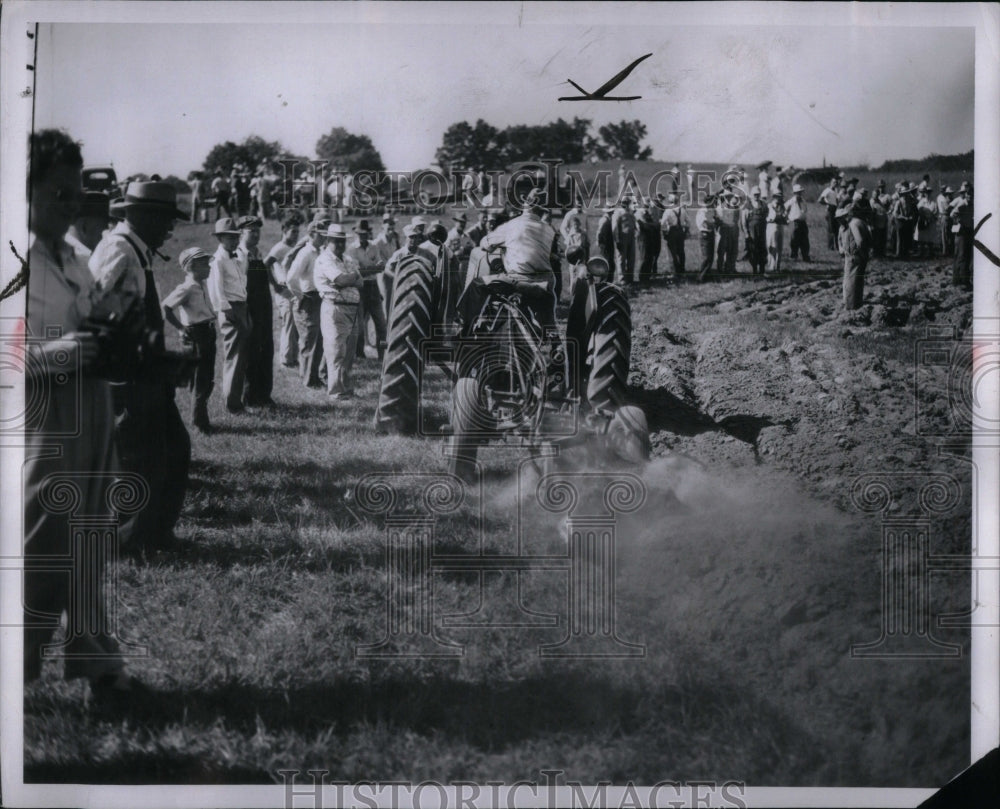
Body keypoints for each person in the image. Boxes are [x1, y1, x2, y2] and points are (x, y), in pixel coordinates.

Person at [23, 129, 139, 697]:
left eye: (76, 196)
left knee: (92, 533)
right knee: (41, 537)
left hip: (91, 402)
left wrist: (116, 322)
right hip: (38, 414)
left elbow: (92, 314)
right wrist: (56, 354)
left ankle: (99, 666)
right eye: (57, 195)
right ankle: (14, 665)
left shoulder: (73, 255)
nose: (71, 208)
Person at [89, 179, 191, 557]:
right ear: (144, 216)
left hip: (147, 371)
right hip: (125, 375)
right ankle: (122, 542)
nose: (170, 229)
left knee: (175, 448)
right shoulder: (117, 249)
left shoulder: (139, 250)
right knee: (138, 459)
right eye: (165, 220)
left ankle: (155, 533)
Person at [477, 187, 560, 333]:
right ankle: (554, 341)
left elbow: (485, 244)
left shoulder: (511, 226)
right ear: (543, 211)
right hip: (546, 283)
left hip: (520, 281)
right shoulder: (549, 230)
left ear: (525, 206)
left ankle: (479, 322)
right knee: (548, 319)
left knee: (479, 283)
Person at [162, 247, 217, 432]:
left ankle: (201, 417)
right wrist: (180, 328)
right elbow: (166, 308)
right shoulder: (186, 288)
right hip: (196, 335)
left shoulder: (201, 284)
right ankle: (199, 423)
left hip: (208, 332)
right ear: (190, 267)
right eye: (204, 264)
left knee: (207, 377)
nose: (209, 267)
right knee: (199, 379)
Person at [206, 217, 252, 412]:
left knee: (242, 355)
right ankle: (232, 403)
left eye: (236, 237)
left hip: (242, 305)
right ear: (220, 239)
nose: (234, 241)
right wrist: (226, 309)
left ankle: (236, 399)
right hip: (230, 308)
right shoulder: (217, 260)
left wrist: (242, 255)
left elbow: (243, 274)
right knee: (234, 355)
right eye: (229, 238)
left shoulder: (234, 256)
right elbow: (215, 289)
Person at [314, 224, 363, 398]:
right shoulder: (324, 259)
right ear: (328, 241)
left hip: (352, 308)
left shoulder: (346, 259)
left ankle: (347, 389)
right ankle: (336, 392)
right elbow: (341, 279)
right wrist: (350, 278)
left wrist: (349, 278)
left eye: (342, 241)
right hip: (334, 307)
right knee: (336, 351)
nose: (340, 245)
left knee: (349, 353)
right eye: (336, 241)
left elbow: (360, 282)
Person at [285, 217, 328, 388]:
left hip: (319, 297)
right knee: (310, 339)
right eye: (320, 234)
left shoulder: (320, 252)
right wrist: (300, 296)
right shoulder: (305, 253)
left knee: (319, 338)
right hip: (308, 298)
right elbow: (291, 278)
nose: (324, 237)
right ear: (311, 234)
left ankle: (313, 376)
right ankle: (309, 379)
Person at [237, 215, 275, 406]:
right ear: (241, 233)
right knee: (251, 353)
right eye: (251, 230)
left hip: (264, 309)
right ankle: (250, 397)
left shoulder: (258, 253)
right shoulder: (240, 256)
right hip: (250, 309)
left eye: (258, 230)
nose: (256, 234)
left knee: (267, 349)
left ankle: (265, 394)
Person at [265, 214, 303, 369]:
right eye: (293, 231)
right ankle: (287, 359)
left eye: (297, 232)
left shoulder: (291, 248)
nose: (296, 235)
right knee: (288, 324)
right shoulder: (279, 248)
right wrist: (275, 285)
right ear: (284, 231)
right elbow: (265, 264)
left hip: (292, 290)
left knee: (294, 324)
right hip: (283, 290)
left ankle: (292, 356)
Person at [349, 220, 387, 361]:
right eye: (360, 234)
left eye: (365, 233)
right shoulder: (351, 249)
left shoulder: (373, 246)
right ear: (356, 233)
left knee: (381, 324)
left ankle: (382, 355)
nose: (363, 236)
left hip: (373, 287)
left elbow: (381, 266)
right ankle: (360, 355)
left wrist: (369, 269)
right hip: (359, 287)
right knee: (359, 325)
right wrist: (373, 268)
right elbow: (357, 272)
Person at [840, 191, 872, 310]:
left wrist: (861, 252)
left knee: (851, 280)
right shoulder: (861, 222)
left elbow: (860, 241)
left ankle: (851, 305)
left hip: (856, 255)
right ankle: (857, 303)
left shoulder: (853, 223)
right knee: (858, 280)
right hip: (862, 255)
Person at [64, 191, 110, 260]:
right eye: (103, 227)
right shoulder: (83, 259)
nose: (106, 235)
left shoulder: (59, 251)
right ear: (84, 228)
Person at [742, 186, 768, 276]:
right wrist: (746, 233)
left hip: (762, 231)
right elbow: (743, 221)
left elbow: (767, 216)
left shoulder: (764, 205)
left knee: (762, 249)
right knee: (753, 250)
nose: (756, 196)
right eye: (755, 194)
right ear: (751, 195)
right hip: (752, 232)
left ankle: (762, 270)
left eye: (758, 194)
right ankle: (754, 270)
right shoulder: (747, 206)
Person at [660, 192, 688, 277]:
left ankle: (674, 271)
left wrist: (665, 232)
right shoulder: (682, 210)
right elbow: (688, 222)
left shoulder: (668, 211)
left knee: (672, 252)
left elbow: (663, 223)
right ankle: (682, 270)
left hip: (672, 231)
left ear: (669, 201)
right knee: (681, 251)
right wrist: (686, 231)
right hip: (680, 231)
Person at [950, 186, 973, 289]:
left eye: (972, 196)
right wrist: (959, 221)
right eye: (969, 195)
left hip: (968, 231)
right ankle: (958, 280)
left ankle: (965, 279)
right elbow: (952, 214)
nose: (970, 197)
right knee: (961, 255)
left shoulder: (971, 205)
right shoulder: (962, 204)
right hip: (961, 231)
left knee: (967, 255)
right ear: (966, 195)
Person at [611, 195, 637, 284]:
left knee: (631, 258)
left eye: (627, 202)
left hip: (631, 237)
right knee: (621, 259)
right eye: (624, 202)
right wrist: (617, 240)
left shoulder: (630, 212)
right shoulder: (618, 213)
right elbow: (614, 227)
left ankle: (630, 278)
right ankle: (622, 279)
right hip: (622, 238)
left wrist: (635, 231)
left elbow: (634, 223)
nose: (625, 204)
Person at [714, 192, 740, 277]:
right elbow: (717, 220)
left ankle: (730, 268)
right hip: (723, 230)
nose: (729, 198)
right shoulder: (720, 208)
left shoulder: (734, 207)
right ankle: (720, 269)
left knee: (732, 250)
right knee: (721, 250)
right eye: (727, 197)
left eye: (730, 197)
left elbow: (736, 219)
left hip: (732, 230)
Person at [636, 205, 661, 285]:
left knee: (649, 257)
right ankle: (642, 277)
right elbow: (643, 225)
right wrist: (654, 225)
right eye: (645, 206)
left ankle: (647, 275)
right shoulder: (638, 214)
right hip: (643, 238)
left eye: (647, 206)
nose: (646, 208)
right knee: (644, 257)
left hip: (650, 237)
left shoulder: (647, 214)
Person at [892, 182, 917, 259]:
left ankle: (905, 253)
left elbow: (912, 212)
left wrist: (911, 216)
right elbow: (895, 214)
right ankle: (899, 253)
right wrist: (903, 217)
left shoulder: (909, 202)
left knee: (906, 237)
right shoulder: (898, 202)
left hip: (907, 222)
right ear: (902, 194)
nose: (906, 195)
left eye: (907, 193)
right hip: (900, 222)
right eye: (904, 193)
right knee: (900, 238)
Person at [695, 194, 717, 282]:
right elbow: (705, 223)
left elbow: (715, 219)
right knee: (706, 257)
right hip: (704, 234)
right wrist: (714, 224)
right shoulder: (702, 211)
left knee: (711, 256)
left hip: (711, 233)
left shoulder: (711, 210)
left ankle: (707, 275)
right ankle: (700, 277)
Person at [785, 184, 810, 261]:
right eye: (797, 192)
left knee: (805, 240)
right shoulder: (791, 201)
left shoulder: (803, 201)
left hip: (802, 222)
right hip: (794, 222)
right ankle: (794, 256)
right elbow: (784, 209)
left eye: (800, 192)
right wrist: (787, 219)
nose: (799, 194)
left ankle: (805, 256)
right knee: (794, 239)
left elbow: (805, 210)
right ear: (794, 193)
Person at [765, 188, 788, 273]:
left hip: (780, 226)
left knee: (779, 247)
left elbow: (786, 217)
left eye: (779, 197)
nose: (778, 198)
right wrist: (770, 219)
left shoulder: (782, 206)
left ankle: (777, 266)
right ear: (773, 197)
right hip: (771, 226)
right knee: (772, 246)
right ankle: (771, 266)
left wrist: (785, 218)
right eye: (776, 197)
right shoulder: (769, 206)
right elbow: (766, 217)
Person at [817, 178, 840, 252]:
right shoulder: (827, 190)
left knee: (836, 228)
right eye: (834, 182)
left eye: (836, 182)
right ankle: (830, 246)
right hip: (830, 210)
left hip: (835, 210)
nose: (835, 183)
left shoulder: (836, 190)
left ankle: (837, 245)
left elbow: (836, 200)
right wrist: (828, 204)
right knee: (831, 229)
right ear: (831, 183)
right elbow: (820, 200)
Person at [914, 188, 938, 259]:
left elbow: (936, 212)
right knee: (922, 237)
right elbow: (919, 211)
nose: (927, 194)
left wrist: (931, 218)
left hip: (931, 222)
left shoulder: (933, 202)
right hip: (923, 221)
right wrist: (924, 218)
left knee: (930, 237)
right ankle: (922, 252)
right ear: (924, 194)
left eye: (929, 193)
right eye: (926, 193)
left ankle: (931, 252)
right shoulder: (921, 202)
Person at [937, 186, 955, 257]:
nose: (950, 195)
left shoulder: (950, 199)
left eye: (951, 193)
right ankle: (945, 251)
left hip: (949, 217)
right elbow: (946, 210)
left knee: (950, 234)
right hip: (945, 217)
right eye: (949, 194)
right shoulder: (944, 200)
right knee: (945, 234)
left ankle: (949, 250)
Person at [596, 205, 615, 271]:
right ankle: (604, 280)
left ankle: (608, 279)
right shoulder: (604, 220)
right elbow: (599, 232)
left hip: (609, 242)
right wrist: (600, 243)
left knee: (610, 262)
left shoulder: (609, 219)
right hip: (605, 243)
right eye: (611, 211)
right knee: (606, 262)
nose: (612, 212)